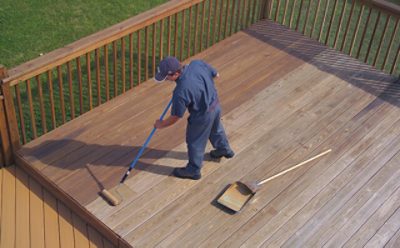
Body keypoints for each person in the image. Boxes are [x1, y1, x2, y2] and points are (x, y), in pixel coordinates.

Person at [154, 56, 234, 180]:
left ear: (175, 74)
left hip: (201, 116)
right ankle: (224, 149)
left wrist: (161, 124)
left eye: (167, 77)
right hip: (215, 105)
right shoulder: (197, 64)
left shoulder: (180, 92)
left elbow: (176, 116)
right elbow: (216, 74)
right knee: (216, 128)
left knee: (195, 142)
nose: (166, 80)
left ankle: (193, 170)